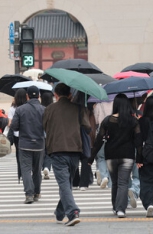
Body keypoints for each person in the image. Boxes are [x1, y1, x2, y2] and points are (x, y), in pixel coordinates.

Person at [43, 83, 91, 226]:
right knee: (67, 183)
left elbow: (44, 126)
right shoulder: (78, 108)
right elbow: (87, 127)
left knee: (65, 184)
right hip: (75, 149)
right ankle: (59, 213)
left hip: (57, 150)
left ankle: (72, 212)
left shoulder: (49, 109)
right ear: (69, 94)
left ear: (55, 95)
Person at [89, 94, 142, 218]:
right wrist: (139, 157)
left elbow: (99, 140)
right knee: (123, 183)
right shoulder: (133, 121)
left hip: (111, 155)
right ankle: (120, 209)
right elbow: (138, 141)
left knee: (115, 182)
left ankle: (115, 207)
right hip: (127, 155)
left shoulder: (107, 120)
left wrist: (91, 158)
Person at [10, 86, 45, 204]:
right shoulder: (44, 109)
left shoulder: (20, 109)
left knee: (26, 170)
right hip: (40, 144)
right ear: (39, 96)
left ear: (27, 96)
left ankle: (29, 194)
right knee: (37, 170)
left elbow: (14, 126)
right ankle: (37, 192)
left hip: (24, 143)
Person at [8, 89, 28, 184]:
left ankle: (20, 173)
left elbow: (10, 123)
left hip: (17, 135)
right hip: (27, 134)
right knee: (27, 154)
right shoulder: (27, 107)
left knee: (19, 155)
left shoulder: (12, 108)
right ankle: (28, 172)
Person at [93, 101, 113, 189]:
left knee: (101, 157)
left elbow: (96, 120)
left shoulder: (98, 105)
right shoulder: (115, 103)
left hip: (101, 133)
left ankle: (104, 176)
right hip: (113, 133)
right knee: (111, 158)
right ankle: (111, 184)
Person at [41, 92, 54, 180]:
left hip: (41, 134)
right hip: (50, 134)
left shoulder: (40, 109)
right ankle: (47, 168)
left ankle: (43, 168)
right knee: (49, 153)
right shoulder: (52, 109)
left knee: (42, 153)